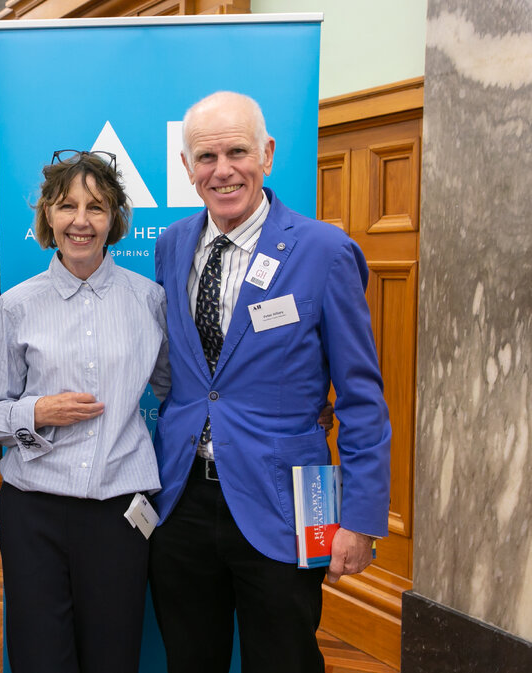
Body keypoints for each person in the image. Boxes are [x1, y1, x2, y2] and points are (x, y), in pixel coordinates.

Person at [149, 90, 392, 673]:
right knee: (189, 658)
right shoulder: (171, 245)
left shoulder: (325, 251)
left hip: (284, 503)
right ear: (186, 168)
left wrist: (358, 518)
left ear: (269, 153)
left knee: (284, 659)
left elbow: (361, 398)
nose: (223, 169)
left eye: (238, 151)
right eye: (206, 157)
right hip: (181, 499)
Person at [0, 150, 169, 673]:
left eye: (97, 207)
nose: (81, 221)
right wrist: (37, 411)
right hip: (33, 512)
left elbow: (179, 392)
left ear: (115, 219)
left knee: (114, 655)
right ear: (48, 216)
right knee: (40, 657)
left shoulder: (149, 300)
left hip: (121, 513)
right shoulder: (16, 305)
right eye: (67, 206)